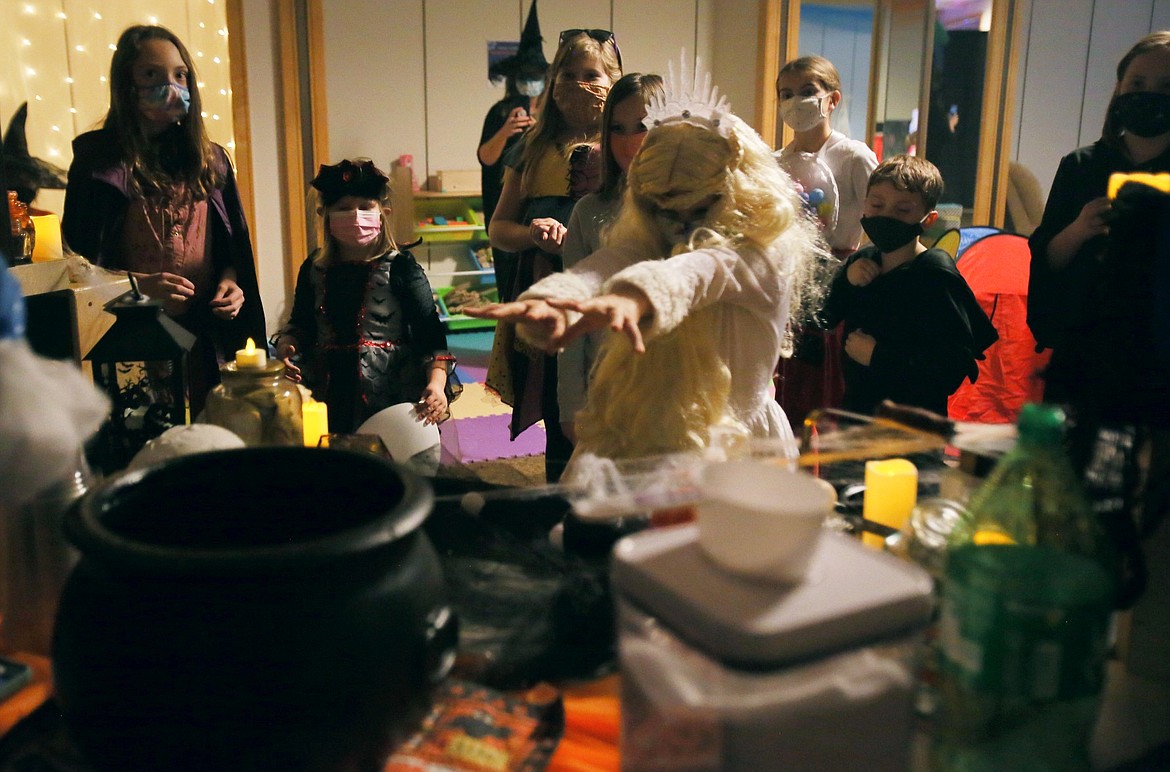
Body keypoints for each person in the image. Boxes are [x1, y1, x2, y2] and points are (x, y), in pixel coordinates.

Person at [470, 57, 826, 469]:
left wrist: (631, 298)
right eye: (661, 207)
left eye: (696, 206)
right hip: (651, 419)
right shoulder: (645, 228)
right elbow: (608, 261)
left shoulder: (762, 251)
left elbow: (698, 271)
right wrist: (557, 296)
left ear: (738, 188)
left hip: (735, 443)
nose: (677, 223)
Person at [62, 24, 265, 417]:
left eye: (179, 74)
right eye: (151, 74)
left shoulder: (211, 160)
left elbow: (230, 247)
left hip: (205, 344)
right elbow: (78, 264)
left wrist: (231, 281)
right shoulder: (98, 164)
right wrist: (138, 287)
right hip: (132, 346)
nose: (170, 85)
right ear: (127, 84)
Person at [486, 28, 622, 482]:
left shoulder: (627, 148)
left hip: (609, 288)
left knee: (613, 389)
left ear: (613, 80)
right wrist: (531, 233)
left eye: (592, 75)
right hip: (545, 287)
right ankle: (559, 491)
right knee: (552, 396)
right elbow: (499, 229)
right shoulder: (533, 147)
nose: (580, 84)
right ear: (553, 79)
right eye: (569, 74)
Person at [275, 159, 460, 438]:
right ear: (325, 215)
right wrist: (287, 345)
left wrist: (436, 383)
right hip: (329, 385)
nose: (355, 216)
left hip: (391, 386)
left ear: (383, 212)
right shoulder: (314, 267)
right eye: (343, 209)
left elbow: (430, 334)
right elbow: (301, 322)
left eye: (365, 207)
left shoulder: (401, 267)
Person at [820, 155, 997, 417]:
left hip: (912, 428)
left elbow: (950, 370)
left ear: (927, 219)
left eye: (902, 211)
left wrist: (877, 356)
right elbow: (824, 317)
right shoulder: (861, 262)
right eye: (877, 205)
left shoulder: (936, 278)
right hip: (857, 416)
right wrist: (846, 283)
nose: (886, 216)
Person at [774, 55, 879, 431]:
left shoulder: (853, 156)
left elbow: (879, 219)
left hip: (840, 281)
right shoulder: (774, 162)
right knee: (788, 383)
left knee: (829, 388)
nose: (795, 101)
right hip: (788, 281)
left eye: (807, 92)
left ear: (832, 100)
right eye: (786, 94)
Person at [558, 72, 663, 444]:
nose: (629, 141)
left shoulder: (689, 211)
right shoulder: (589, 212)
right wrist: (570, 405)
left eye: (643, 126)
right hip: (607, 387)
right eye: (617, 128)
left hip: (674, 389)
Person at [478, 0, 547, 304]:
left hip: (543, 208)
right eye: (525, 75)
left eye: (536, 75)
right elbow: (485, 157)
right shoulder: (501, 111)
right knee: (508, 275)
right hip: (504, 204)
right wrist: (506, 130)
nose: (531, 82)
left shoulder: (551, 113)